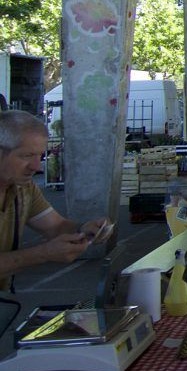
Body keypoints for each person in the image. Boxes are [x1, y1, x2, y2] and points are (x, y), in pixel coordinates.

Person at [1, 110, 111, 290]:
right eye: (26, 156)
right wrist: (42, 254)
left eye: (40, 156)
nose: (36, 167)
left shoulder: (23, 188)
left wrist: (84, 230)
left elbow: (55, 226)